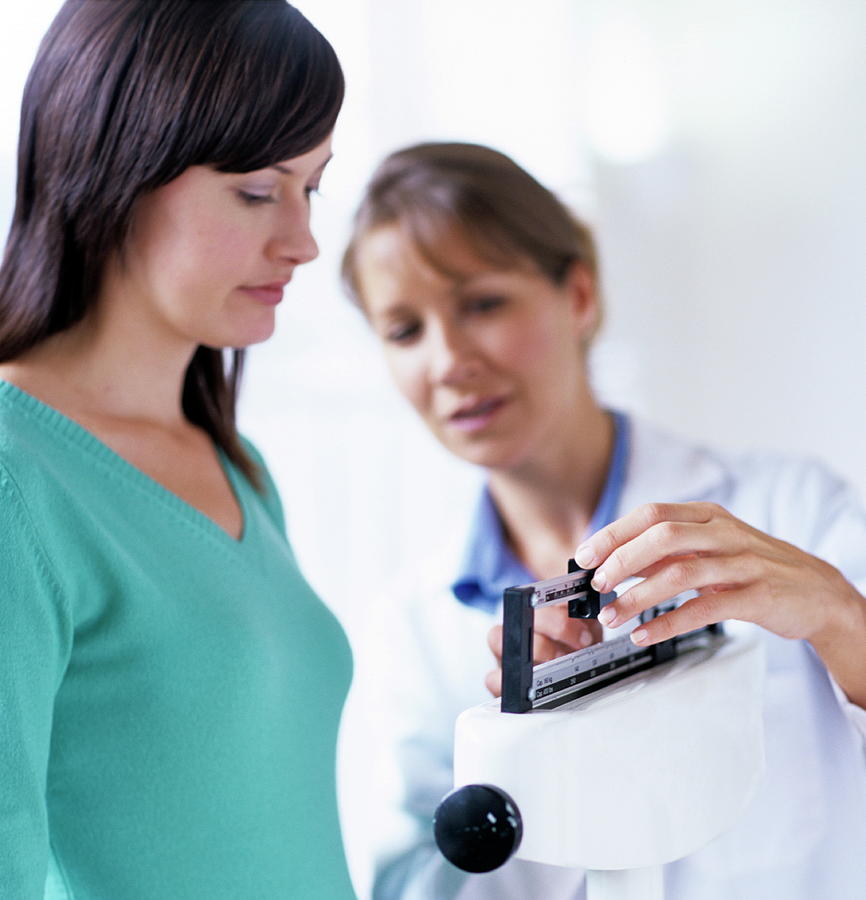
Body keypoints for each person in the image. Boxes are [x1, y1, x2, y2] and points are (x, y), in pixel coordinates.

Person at [339, 141, 866, 899]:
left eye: (481, 303)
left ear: (579, 296)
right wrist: (542, 763)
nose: (448, 359)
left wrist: (842, 618)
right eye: (403, 330)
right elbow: (417, 886)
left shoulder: (794, 511)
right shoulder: (413, 634)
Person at [0, 2, 355, 897]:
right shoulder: (16, 477)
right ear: (116, 164)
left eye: (311, 189)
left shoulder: (240, 470)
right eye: (257, 190)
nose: (303, 241)